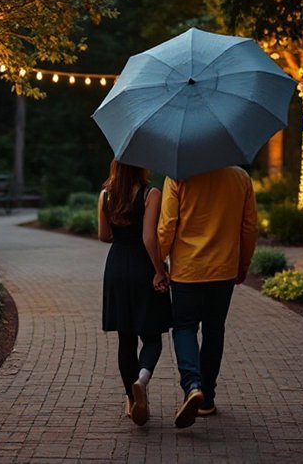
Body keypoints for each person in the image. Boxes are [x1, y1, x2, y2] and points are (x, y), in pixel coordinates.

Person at [157, 165, 258, 428]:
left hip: (187, 271)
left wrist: (157, 264)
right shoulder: (240, 177)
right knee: (214, 330)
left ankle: (192, 385)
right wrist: (243, 262)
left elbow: (167, 226)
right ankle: (207, 399)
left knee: (184, 328)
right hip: (223, 269)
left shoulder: (178, 175)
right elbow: (249, 227)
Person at [98, 159, 172, 426]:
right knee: (152, 336)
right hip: (142, 267)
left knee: (125, 339)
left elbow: (104, 235)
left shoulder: (106, 194)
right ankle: (142, 379)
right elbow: (149, 238)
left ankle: (131, 400)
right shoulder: (150, 193)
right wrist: (159, 271)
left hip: (116, 267)